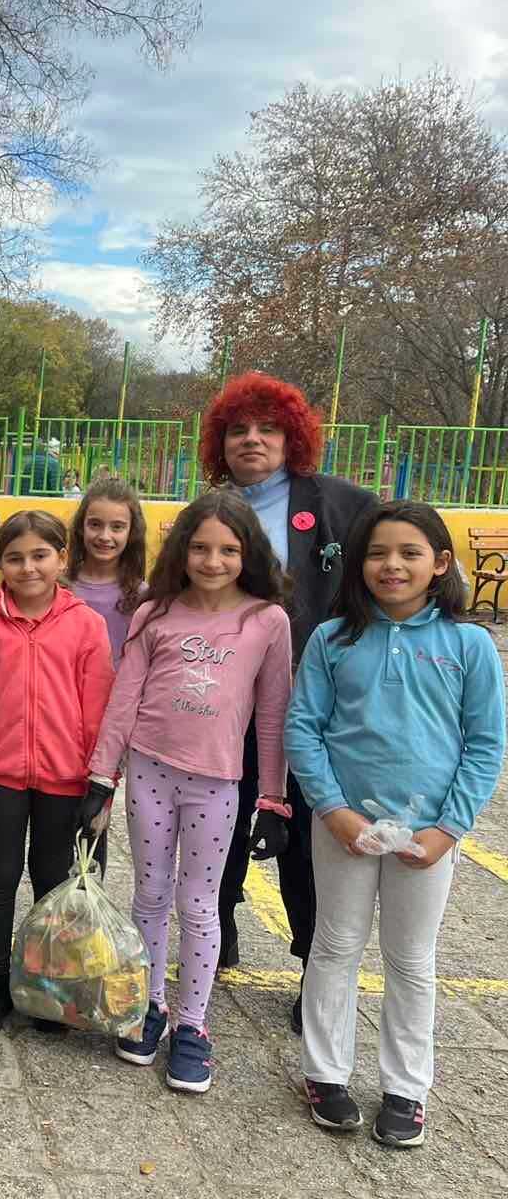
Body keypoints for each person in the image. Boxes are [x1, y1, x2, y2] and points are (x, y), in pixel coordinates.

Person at [287, 501, 505, 1147]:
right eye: (378, 553)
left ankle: (407, 1088)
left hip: (428, 834)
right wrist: (334, 810)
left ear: (440, 563)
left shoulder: (469, 645)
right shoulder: (333, 639)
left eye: (410, 553)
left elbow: (485, 745)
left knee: (410, 959)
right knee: (335, 945)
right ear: (359, 563)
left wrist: (449, 829)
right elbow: (303, 729)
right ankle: (325, 1074)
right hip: (344, 826)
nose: (392, 566)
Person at [87, 490, 293, 1095]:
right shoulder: (155, 612)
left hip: (217, 783)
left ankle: (193, 1025)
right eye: (200, 547)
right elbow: (125, 698)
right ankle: (149, 1005)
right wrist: (101, 776)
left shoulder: (266, 621)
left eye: (228, 550)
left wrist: (273, 799)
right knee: (149, 896)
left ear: (248, 554)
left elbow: (273, 714)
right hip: (149, 772)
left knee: (199, 905)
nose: (212, 561)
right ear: (182, 550)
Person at [206, 374, 379, 1029]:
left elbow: (397, 572)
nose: (251, 439)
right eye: (238, 429)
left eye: (267, 428)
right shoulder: (212, 508)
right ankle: (216, 931)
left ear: (292, 437)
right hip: (230, 703)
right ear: (220, 442)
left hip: (312, 708)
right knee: (221, 818)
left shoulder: (341, 503)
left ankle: (314, 966)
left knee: (305, 837)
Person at [0, 511, 114, 1036]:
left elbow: (98, 711)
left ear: (62, 558)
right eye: (14, 558)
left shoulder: (85, 624)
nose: (28, 568)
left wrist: (102, 785)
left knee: (52, 880)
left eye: (40, 555)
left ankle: (48, 983)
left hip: (66, 782)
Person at [64, 477, 150, 666]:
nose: (105, 536)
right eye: (95, 524)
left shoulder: (141, 595)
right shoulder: (60, 588)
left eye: (117, 527)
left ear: (131, 532)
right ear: (81, 527)